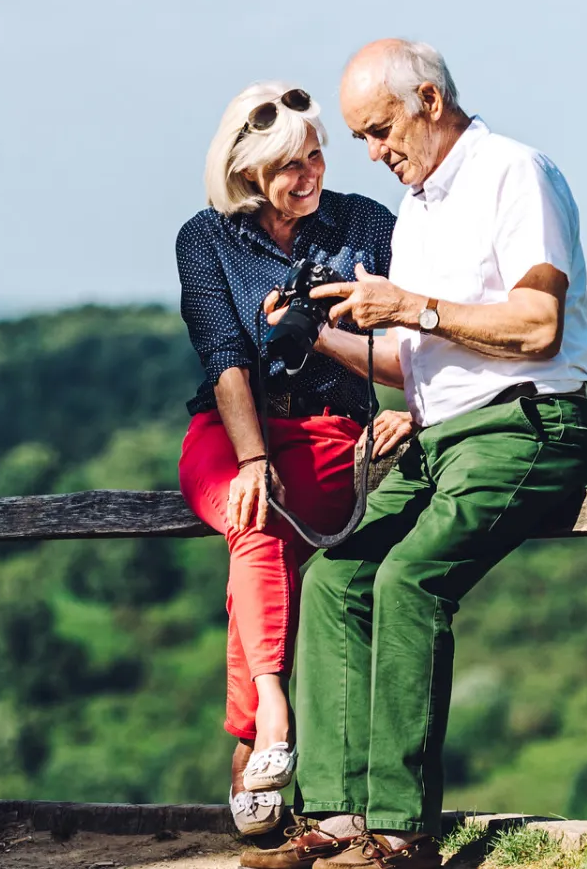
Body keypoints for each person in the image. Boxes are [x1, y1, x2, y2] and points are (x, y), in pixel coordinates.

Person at [242, 41, 587, 869]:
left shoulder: (518, 174)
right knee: (334, 579)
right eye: (363, 137)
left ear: (429, 100)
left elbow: (536, 327)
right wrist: (328, 333)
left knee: (409, 579)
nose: (373, 153)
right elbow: (422, 359)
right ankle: (332, 821)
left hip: (528, 425)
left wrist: (411, 304)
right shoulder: (418, 209)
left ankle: (402, 835)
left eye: (379, 130)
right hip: (441, 433)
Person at [174, 81, 407, 836]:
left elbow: (414, 337)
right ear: (245, 172)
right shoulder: (204, 239)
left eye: (314, 157)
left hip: (330, 429)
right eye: (287, 166)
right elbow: (224, 354)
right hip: (230, 429)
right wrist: (249, 457)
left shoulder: (365, 224)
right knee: (256, 513)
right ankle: (276, 710)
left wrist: (410, 409)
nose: (308, 176)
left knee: (258, 538)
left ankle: (253, 744)